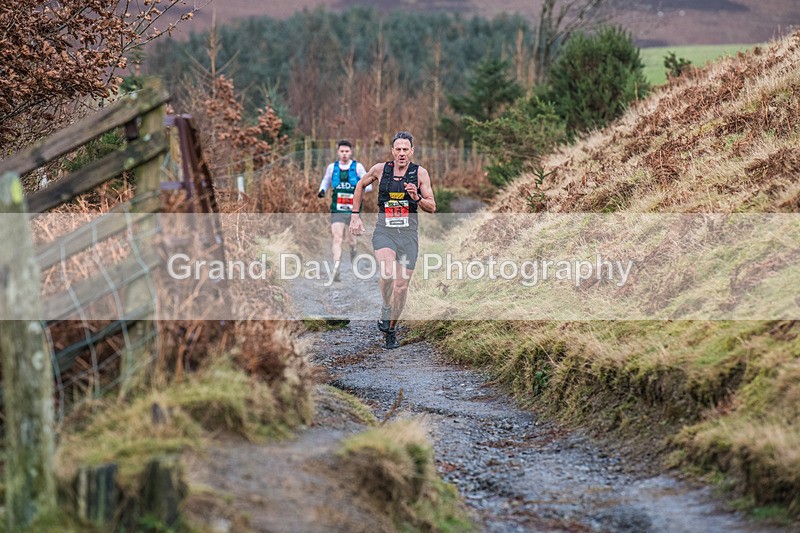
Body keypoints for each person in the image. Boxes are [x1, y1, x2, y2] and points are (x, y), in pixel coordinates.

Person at [349, 131, 436, 349]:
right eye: (398, 149)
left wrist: (417, 197)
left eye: (406, 149)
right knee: (387, 273)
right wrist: (355, 216)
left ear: (412, 151)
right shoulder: (380, 170)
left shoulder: (420, 173)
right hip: (385, 232)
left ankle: (391, 329)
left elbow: (432, 207)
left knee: (401, 286)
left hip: (408, 235)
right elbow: (360, 185)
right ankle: (386, 307)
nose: (402, 153)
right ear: (392, 151)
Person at [318, 140, 372, 281]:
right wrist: (322, 190)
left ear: (351, 152)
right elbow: (326, 180)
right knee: (337, 238)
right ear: (338, 152)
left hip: (353, 211)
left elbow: (369, 185)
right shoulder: (332, 167)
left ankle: (353, 250)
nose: (344, 154)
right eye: (342, 151)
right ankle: (336, 269)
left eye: (346, 151)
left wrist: (361, 189)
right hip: (337, 209)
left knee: (351, 240)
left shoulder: (358, 167)